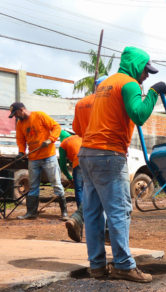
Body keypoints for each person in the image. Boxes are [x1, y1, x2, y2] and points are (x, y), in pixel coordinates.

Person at [79, 46, 166, 282]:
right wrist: (153, 93)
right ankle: (123, 265)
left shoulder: (106, 84)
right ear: (136, 66)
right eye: (146, 71)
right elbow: (138, 115)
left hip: (87, 153)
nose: (146, 76)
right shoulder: (129, 84)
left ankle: (97, 266)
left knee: (93, 212)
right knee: (119, 210)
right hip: (108, 154)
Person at [62, 76, 108, 242]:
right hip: (106, 151)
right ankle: (107, 231)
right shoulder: (109, 101)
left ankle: (78, 219)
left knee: (91, 192)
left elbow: (77, 129)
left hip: (86, 152)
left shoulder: (81, 103)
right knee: (110, 193)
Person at [11, 102, 66, 220]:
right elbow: (20, 139)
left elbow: (56, 127)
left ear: (21, 109)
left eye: (16, 113)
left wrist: (50, 140)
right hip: (33, 158)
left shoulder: (39, 115)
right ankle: (31, 213)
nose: (16, 116)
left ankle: (64, 213)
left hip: (48, 156)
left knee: (56, 183)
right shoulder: (20, 124)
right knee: (33, 186)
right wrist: (21, 152)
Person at [58, 130, 84, 241]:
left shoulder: (63, 144)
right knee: (90, 189)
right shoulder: (78, 136)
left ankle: (79, 215)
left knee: (79, 189)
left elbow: (62, 165)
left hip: (78, 164)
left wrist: (69, 177)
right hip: (90, 161)